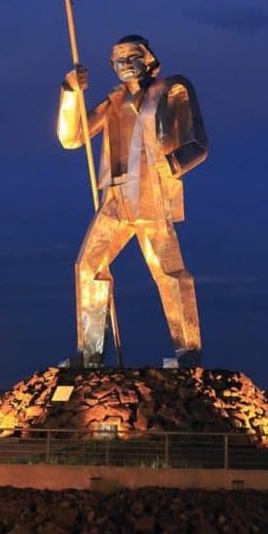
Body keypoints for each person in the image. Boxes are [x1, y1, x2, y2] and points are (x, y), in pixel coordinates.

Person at [57, 35, 209, 368]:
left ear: (149, 59)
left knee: (168, 271)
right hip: (115, 197)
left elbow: (198, 142)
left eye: (131, 56)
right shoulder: (112, 101)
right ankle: (90, 353)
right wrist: (70, 91)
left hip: (151, 195)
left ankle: (188, 351)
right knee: (88, 266)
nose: (124, 63)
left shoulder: (172, 90)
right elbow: (72, 137)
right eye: (117, 58)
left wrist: (174, 164)